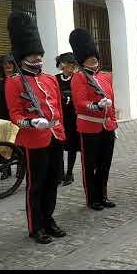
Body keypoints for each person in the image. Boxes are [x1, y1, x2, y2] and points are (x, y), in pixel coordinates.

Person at [5, 11, 67, 244]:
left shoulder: (50, 79)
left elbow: (58, 109)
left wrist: (61, 132)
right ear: (22, 59)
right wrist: (31, 122)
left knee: (52, 182)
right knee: (36, 185)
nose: (38, 60)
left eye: (39, 56)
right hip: (33, 140)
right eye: (32, 56)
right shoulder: (13, 82)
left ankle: (49, 219)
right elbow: (15, 115)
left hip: (53, 136)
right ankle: (35, 226)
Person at [69, 28, 117, 211]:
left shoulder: (105, 76)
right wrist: (96, 106)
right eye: (89, 58)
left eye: (94, 57)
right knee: (90, 166)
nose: (93, 60)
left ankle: (103, 195)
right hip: (89, 128)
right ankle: (92, 198)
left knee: (105, 164)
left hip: (107, 127)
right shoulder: (79, 77)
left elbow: (112, 103)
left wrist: (113, 122)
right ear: (83, 60)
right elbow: (80, 103)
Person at [55, 52, 79, 186]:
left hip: (72, 118)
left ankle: (69, 173)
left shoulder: (77, 78)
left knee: (71, 147)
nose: (72, 68)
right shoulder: (55, 79)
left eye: (74, 65)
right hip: (59, 117)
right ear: (62, 65)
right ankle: (60, 173)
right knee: (58, 146)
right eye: (70, 65)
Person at [0, 54, 15, 180]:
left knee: (18, 142)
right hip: (3, 116)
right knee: (4, 143)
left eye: (10, 63)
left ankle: (20, 167)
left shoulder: (20, 80)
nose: (8, 66)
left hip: (16, 115)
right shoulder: (0, 83)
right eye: (5, 64)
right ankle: (6, 168)